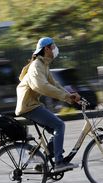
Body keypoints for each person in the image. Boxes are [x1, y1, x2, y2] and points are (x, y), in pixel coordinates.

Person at [15, 37, 81, 172]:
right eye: (54, 46)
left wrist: (70, 97)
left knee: (56, 131)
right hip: (28, 106)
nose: (55, 49)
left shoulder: (43, 65)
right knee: (59, 125)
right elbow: (42, 87)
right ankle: (59, 163)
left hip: (32, 105)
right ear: (46, 49)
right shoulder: (36, 66)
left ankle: (42, 162)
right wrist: (65, 96)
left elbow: (54, 84)